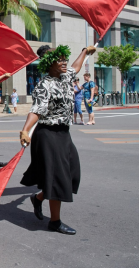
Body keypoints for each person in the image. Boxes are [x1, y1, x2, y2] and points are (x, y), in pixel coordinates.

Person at [20, 44, 96, 235]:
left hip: (64, 133)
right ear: (49, 63)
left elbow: (77, 67)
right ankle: (55, 221)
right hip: (48, 134)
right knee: (58, 177)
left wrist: (85, 51)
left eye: (64, 58)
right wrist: (25, 130)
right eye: (60, 59)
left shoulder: (65, 76)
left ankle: (38, 199)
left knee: (71, 172)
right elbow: (37, 110)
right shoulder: (44, 85)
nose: (65, 62)